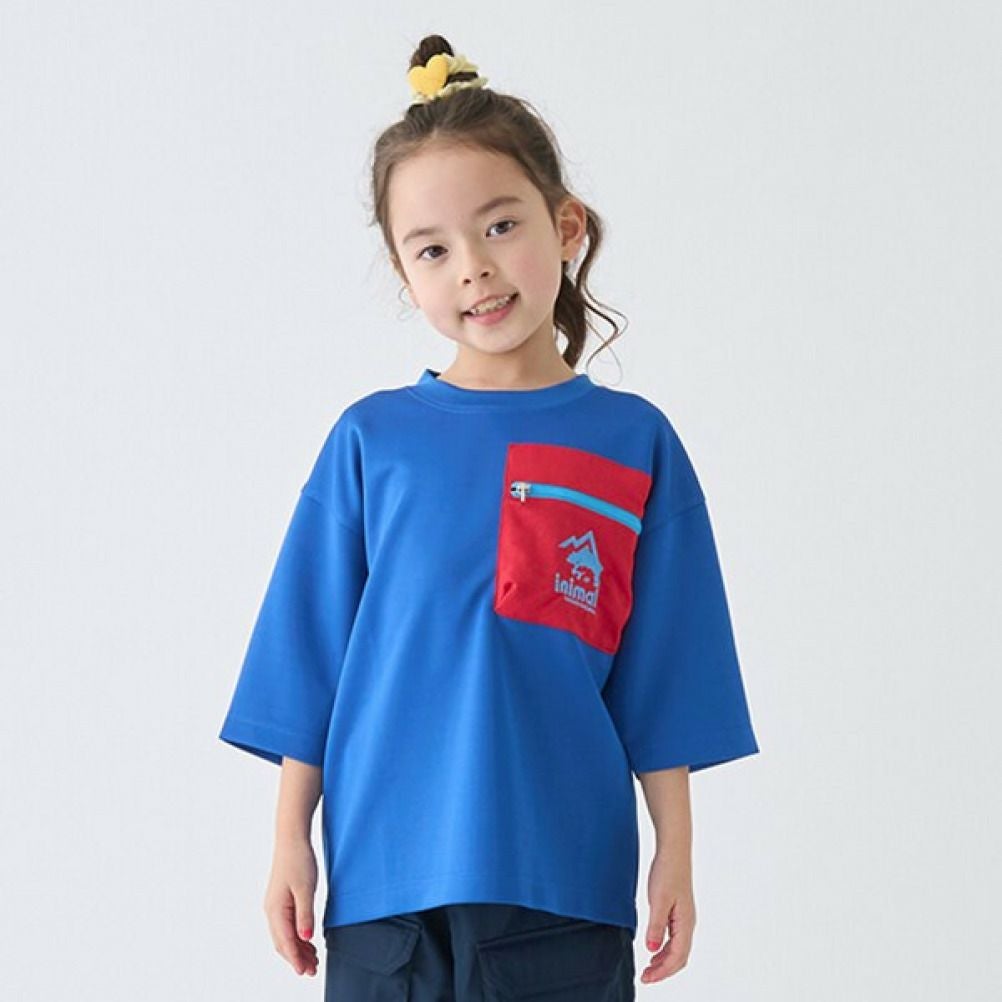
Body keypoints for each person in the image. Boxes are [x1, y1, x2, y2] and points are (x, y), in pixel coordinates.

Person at [218, 33, 761, 1001]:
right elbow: (310, 661)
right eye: (433, 249)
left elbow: (667, 677)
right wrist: (288, 840)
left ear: (566, 225)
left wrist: (675, 853)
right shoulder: (371, 441)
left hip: (562, 887)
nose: (473, 267)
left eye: (502, 225)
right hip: (384, 891)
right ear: (406, 275)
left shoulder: (634, 444)